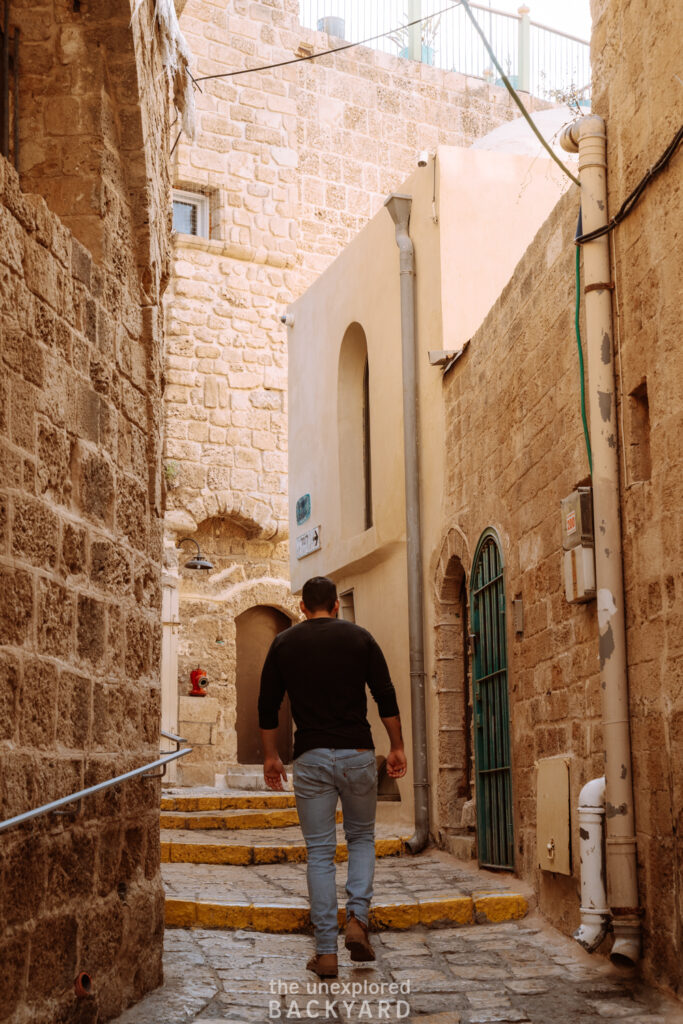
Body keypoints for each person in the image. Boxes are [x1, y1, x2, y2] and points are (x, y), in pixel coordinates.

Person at [258, 575, 407, 979]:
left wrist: (271, 756)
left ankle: (326, 953)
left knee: (320, 853)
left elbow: (267, 704)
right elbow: (385, 694)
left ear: (302, 607)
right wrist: (396, 746)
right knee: (361, 839)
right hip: (358, 754)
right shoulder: (360, 638)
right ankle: (357, 918)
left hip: (311, 757)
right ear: (336, 605)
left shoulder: (284, 644)